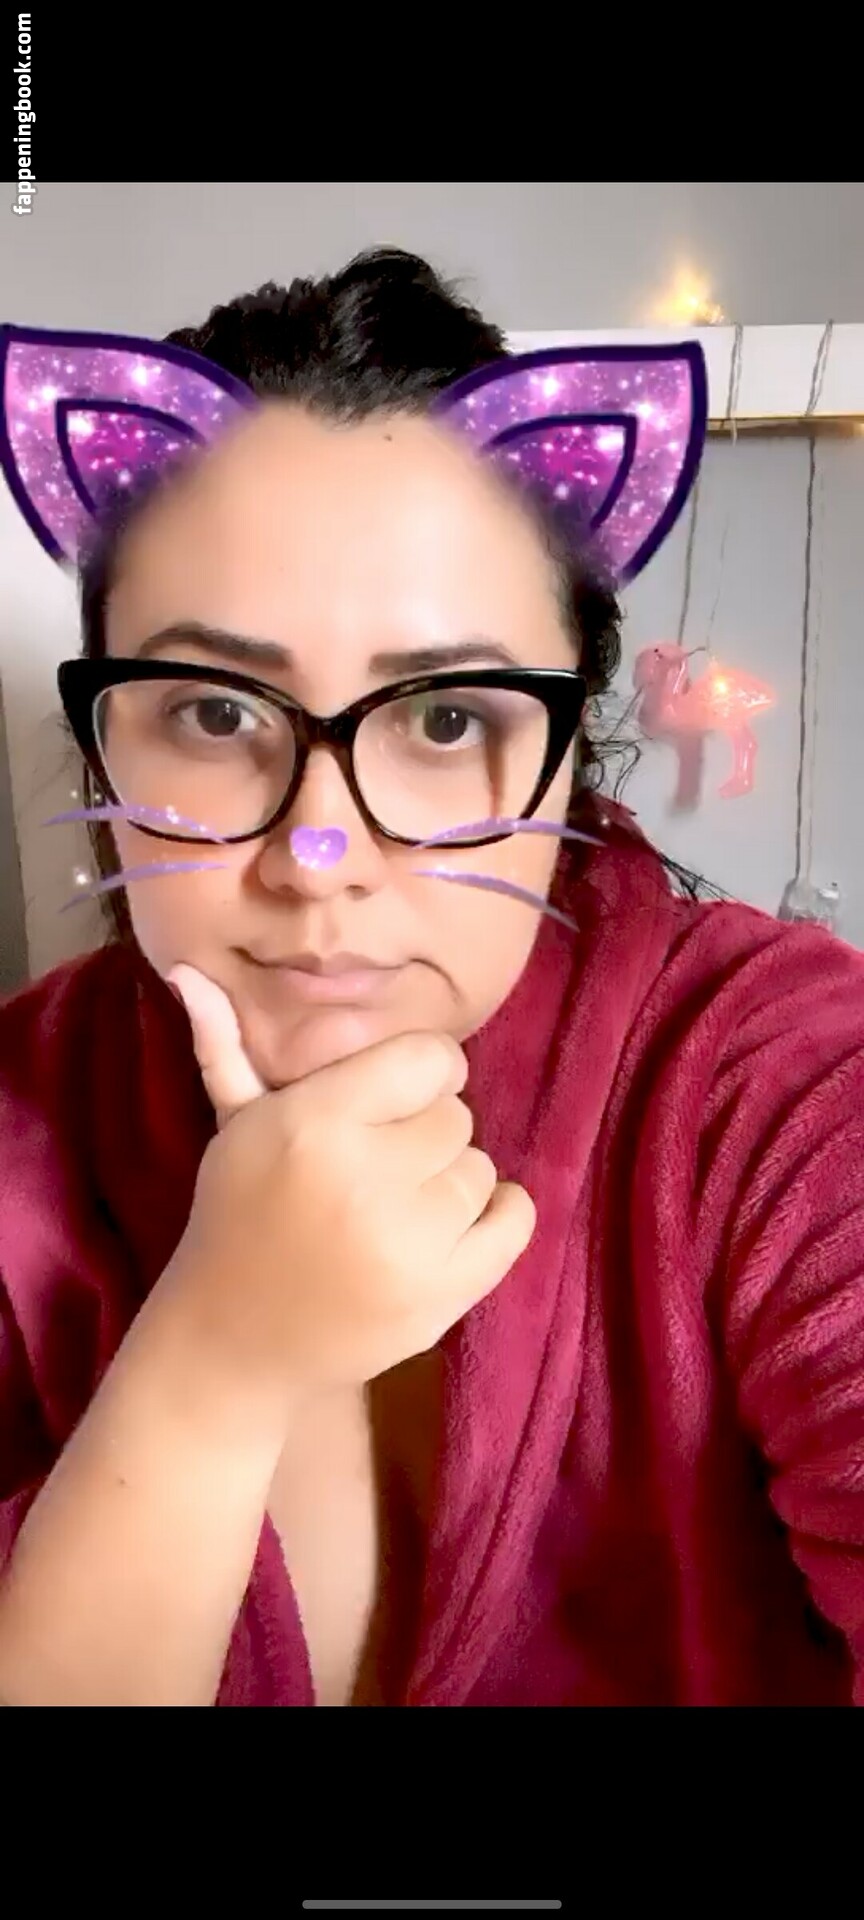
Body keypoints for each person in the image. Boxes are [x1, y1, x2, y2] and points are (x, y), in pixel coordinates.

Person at [0, 247, 861, 1708]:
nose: (320, 855)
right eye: (213, 713)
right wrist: (209, 1368)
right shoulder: (21, 1117)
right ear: (103, 740)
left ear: (569, 752)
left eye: (448, 720)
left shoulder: (777, 1082)